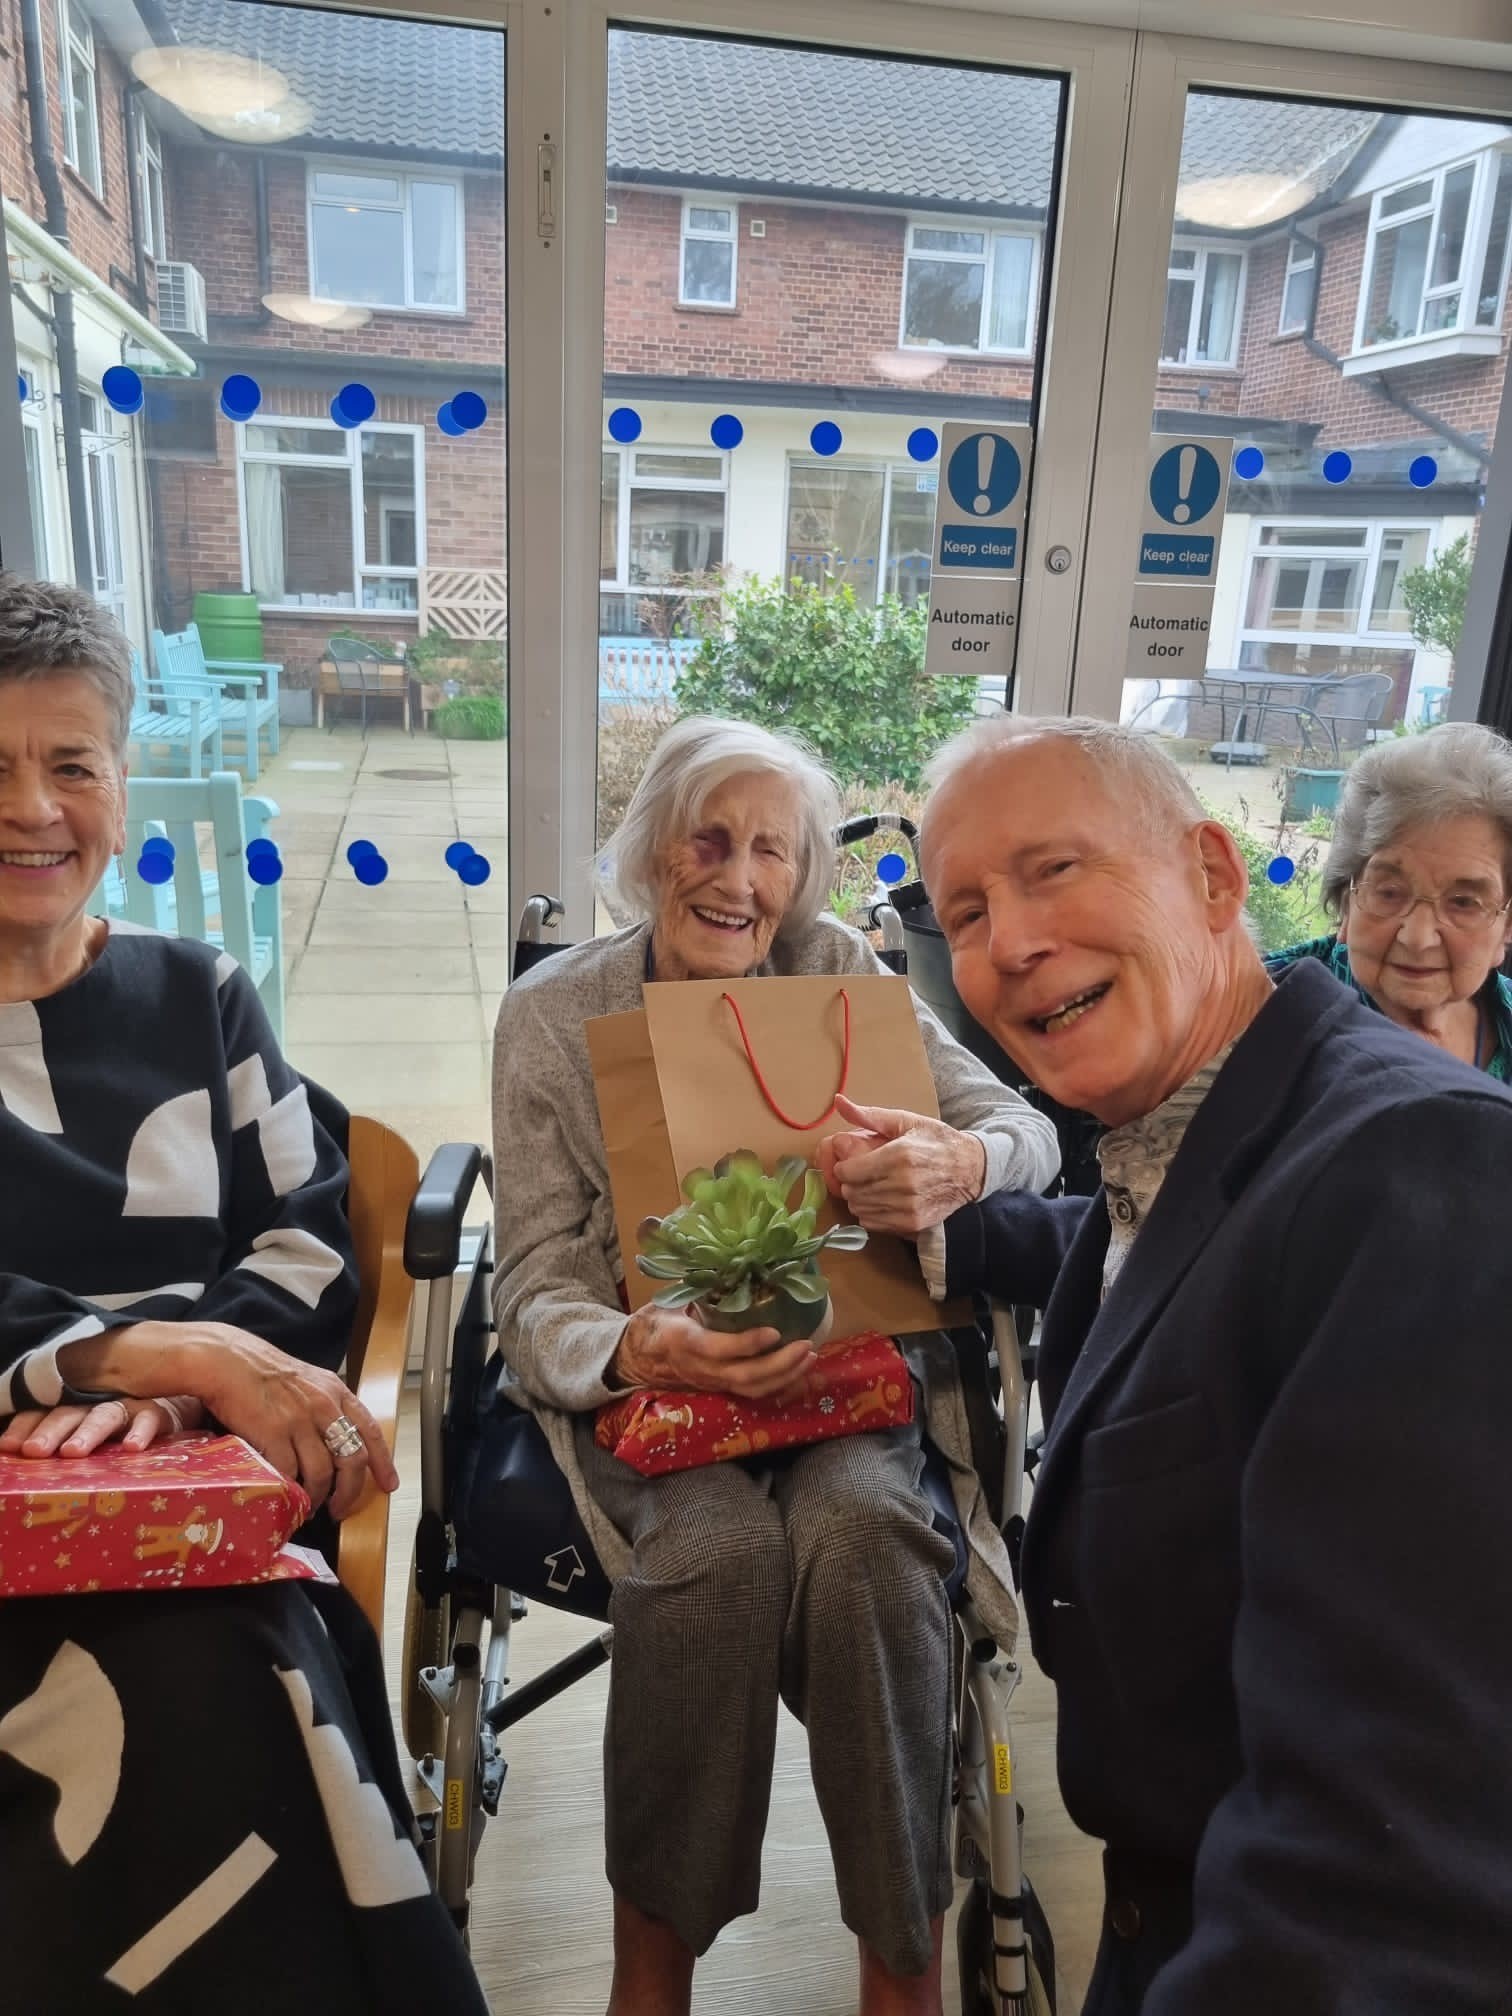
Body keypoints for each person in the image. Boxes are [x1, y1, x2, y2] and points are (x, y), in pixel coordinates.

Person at [837, 713, 1512, 2014]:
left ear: (1213, 878)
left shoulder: (1428, 1170)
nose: (1009, 943)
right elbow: (1141, 1245)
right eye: (965, 911)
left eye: (1054, 872)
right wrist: (938, 1224)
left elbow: (1390, 1870)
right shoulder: (1219, 1126)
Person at [491, 715, 1060, 2016]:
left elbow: (1021, 1128)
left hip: (843, 1377)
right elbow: (530, 1269)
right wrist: (637, 1342)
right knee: (714, 1558)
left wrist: (959, 1164)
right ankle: (655, 1971)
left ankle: (899, 1967)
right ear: (650, 853)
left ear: (803, 872)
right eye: (708, 838)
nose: (736, 878)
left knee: (867, 1537)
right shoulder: (555, 1009)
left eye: (770, 849)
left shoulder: (843, 971)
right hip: (656, 1392)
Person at [0, 575, 486, 2016]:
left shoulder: (200, 992)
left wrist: (180, 1385)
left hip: (190, 1491)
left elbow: (314, 1241)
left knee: (239, 1654)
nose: (32, 808)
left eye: (70, 763)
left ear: (122, 778)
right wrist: (117, 1353)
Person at [1267, 721, 1512, 1073]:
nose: (1417, 938)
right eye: (1389, 893)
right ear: (1346, 902)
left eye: (1463, 903)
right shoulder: (1264, 1015)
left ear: (1507, 925)